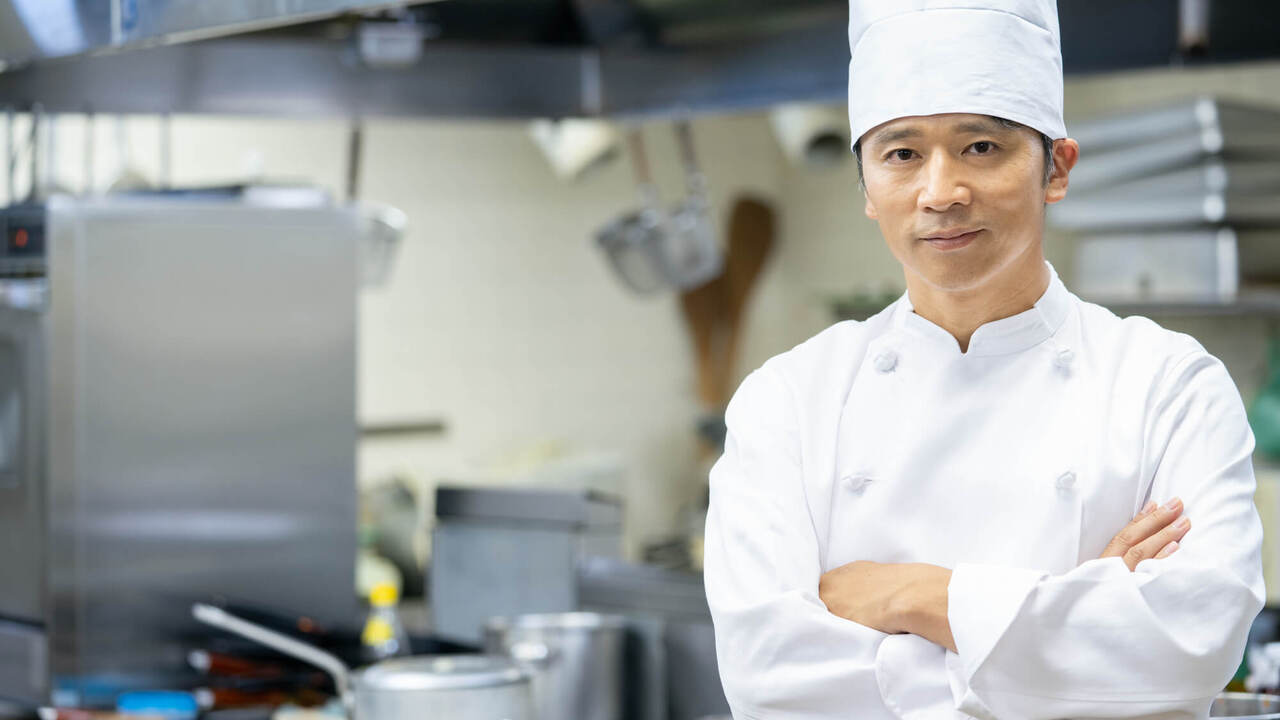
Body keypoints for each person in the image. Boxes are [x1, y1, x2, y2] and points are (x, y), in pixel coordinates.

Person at [701, 1, 1266, 718]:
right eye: (902, 154)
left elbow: (1190, 645)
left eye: (981, 148)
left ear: (1056, 168)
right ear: (867, 189)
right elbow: (770, 681)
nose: (941, 193)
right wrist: (1068, 624)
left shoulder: (1170, 385)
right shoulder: (787, 399)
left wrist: (913, 595)